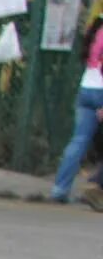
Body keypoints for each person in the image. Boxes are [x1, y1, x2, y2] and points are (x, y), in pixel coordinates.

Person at [50, 12, 103, 208]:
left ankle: (60, 189)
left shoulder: (96, 29)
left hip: (86, 89)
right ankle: (96, 186)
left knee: (79, 141)